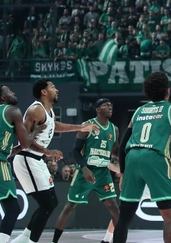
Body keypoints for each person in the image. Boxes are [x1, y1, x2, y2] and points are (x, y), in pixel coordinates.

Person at [113, 72, 171, 243]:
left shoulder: (138, 112)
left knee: (124, 217)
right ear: (168, 91)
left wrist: (122, 172)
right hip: (155, 158)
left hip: (132, 158)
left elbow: (122, 145)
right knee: (170, 218)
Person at [11, 79, 98, 243]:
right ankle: (31, 241)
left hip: (37, 160)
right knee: (47, 205)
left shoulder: (49, 111)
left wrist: (81, 127)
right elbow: (23, 140)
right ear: (44, 92)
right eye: (52, 87)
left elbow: (54, 126)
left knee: (52, 202)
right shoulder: (35, 110)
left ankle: (23, 238)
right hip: (26, 159)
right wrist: (47, 151)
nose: (56, 90)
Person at [52, 99, 120, 243]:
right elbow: (75, 151)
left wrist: (120, 167)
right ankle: (54, 241)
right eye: (106, 105)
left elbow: (115, 152)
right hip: (85, 171)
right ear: (97, 109)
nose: (110, 107)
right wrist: (84, 169)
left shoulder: (114, 130)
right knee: (69, 207)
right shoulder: (87, 125)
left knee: (114, 208)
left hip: (103, 173)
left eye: (111, 105)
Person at [0, 86, 45, 243]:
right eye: (9, 91)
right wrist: (35, 131)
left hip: (2, 157)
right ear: (3, 97)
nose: (13, 93)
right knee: (13, 209)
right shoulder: (12, 111)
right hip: (0, 165)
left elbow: (8, 151)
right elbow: (26, 143)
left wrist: (18, 148)